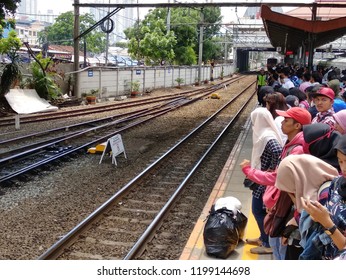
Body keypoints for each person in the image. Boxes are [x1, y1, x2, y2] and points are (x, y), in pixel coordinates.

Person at [240, 107, 311, 259]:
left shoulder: (296, 149)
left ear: (297, 126)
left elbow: (278, 177)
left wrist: (249, 171)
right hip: (282, 201)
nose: (281, 123)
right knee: (276, 240)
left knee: (279, 245)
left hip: (287, 204)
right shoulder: (292, 144)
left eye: (286, 121)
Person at [275, 154, 339, 259]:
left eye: (292, 189)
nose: (291, 194)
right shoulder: (314, 189)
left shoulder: (326, 195)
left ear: (298, 178)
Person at [242, 107, 283, 255]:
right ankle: (263, 237)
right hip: (262, 179)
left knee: (258, 211)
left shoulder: (268, 137)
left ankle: (267, 243)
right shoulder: (264, 134)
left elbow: (278, 151)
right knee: (259, 210)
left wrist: (271, 170)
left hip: (265, 182)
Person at [299, 135, 346, 259]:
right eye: (340, 161)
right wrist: (316, 214)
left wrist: (326, 222)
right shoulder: (336, 183)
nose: (344, 168)